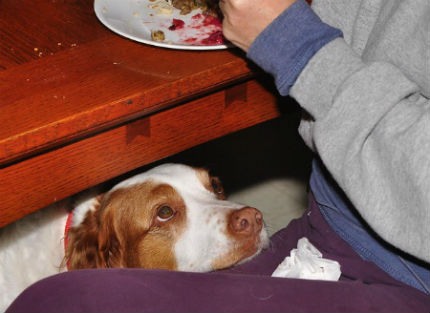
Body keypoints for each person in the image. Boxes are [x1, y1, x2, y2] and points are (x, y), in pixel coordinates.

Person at [6, 0, 430, 312]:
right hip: (329, 231)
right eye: (168, 214)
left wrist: (297, 47)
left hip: (405, 276)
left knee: (64, 302)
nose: (246, 213)